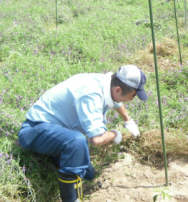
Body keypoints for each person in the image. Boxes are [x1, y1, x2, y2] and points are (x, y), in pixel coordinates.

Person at [18, 65, 148, 202]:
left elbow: (115, 101)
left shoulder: (107, 82)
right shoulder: (91, 94)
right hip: (34, 130)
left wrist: (128, 120)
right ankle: (72, 199)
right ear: (118, 89)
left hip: (57, 131)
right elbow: (97, 139)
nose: (132, 99)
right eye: (132, 96)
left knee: (88, 174)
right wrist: (115, 134)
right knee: (77, 141)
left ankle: (57, 156)